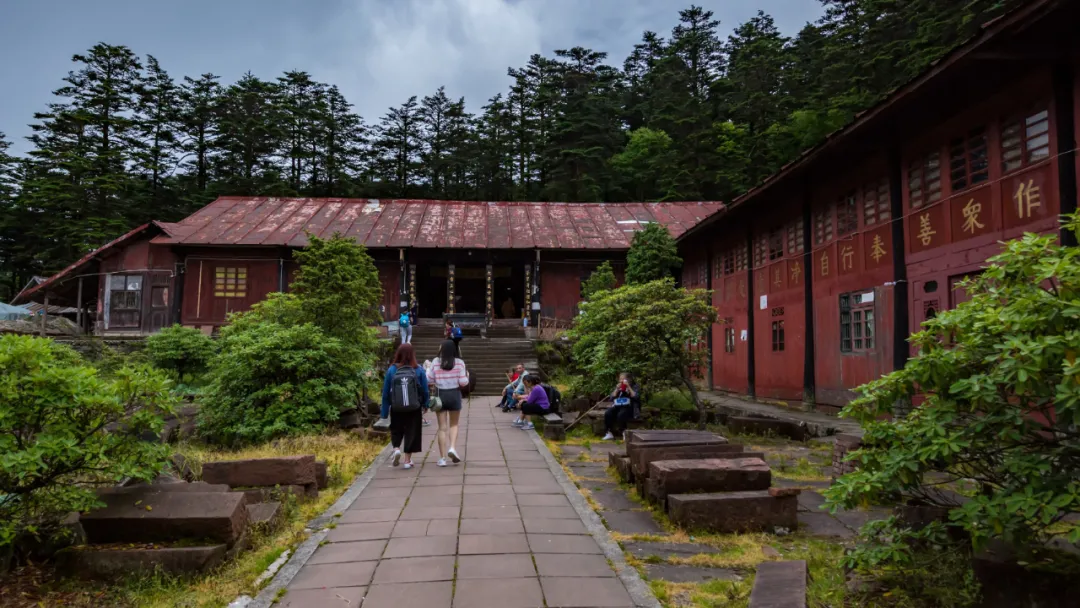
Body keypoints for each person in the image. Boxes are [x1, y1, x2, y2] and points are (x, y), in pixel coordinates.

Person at [381, 344, 429, 469]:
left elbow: (385, 392)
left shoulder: (392, 370)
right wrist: (426, 404)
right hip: (414, 407)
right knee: (411, 432)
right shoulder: (418, 369)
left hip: (396, 406)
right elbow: (425, 390)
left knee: (396, 429)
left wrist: (384, 412)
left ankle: (396, 449)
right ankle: (407, 460)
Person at [427, 339, 469, 466]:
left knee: (442, 427)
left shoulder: (436, 362)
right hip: (454, 395)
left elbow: (429, 380)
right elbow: (463, 382)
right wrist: (467, 376)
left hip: (440, 395)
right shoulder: (460, 363)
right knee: (454, 425)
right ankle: (452, 448)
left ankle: (442, 458)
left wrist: (428, 368)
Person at [603, 372, 640, 441]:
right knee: (608, 413)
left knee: (621, 414)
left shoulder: (634, 386)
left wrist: (628, 387)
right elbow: (611, 398)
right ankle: (609, 433)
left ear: (629, 380)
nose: (621, 381)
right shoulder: (619, 386)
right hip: (618, 405)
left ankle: (623, 432)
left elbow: (636, 397)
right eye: (620, 379)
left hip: (629, 406)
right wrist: (617, 389)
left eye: (623, 379)